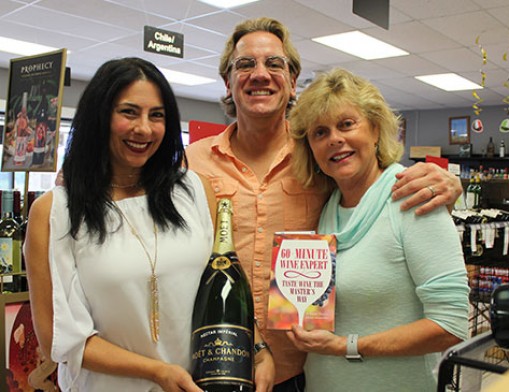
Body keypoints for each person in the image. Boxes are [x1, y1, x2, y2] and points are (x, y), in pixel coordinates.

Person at [185, 17, 464, 391]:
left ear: (291, 79)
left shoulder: (319, 166)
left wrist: (448, 182)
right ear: (228, 81)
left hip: (297, 371)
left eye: (274, 64)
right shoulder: (192, 163)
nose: (260, 74)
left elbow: (378, 187)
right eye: (245, 64)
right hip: (215, 363)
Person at [25, 57, 274, 392]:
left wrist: (258, 351)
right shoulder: (55, 213)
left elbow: (222, 292)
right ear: (100, 116)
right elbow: (60, 337)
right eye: (128, 112)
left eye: (157, 115)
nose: (144, 128)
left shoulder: (195, 192)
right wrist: (157, 372)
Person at [286, 67, 470, 391]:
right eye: (320, 132)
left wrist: (348, 346)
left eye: (346, 124)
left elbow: (450, 325)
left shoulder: (412, 199)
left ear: (374, 129)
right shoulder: (326, 208)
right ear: (311, 149)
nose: (335, 140)